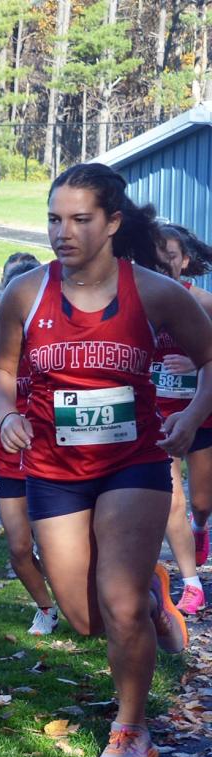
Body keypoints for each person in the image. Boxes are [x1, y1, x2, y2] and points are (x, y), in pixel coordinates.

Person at [0, 162, 212, 757]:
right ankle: (154, 595)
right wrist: (5, 412)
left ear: (112, 222)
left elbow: (211, 357)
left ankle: (130, 728)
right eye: (55, 219)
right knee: (85, 616)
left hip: (133, 463)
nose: (64, 231)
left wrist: (190, 417)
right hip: (55, 467)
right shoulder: (26, 294)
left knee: (117, 605)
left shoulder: (157, 292)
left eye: (80, 219)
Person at [0, 252, 58, 636]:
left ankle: (81, 600)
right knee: (20, 548)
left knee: (56, 547)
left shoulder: (53, 340)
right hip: (5, 459)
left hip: (51, 458)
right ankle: (47, 608)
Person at [152, 223, 212, 613]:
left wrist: (195, 362)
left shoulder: (203, 303)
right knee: (171, 498)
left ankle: (201, 526)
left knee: (202, 498)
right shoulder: (138, 302)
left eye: (170, 258)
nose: (162, 266)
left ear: (184, 260)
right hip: (157, 412)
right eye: (154, 260)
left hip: (201, 411)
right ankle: (191, 583)